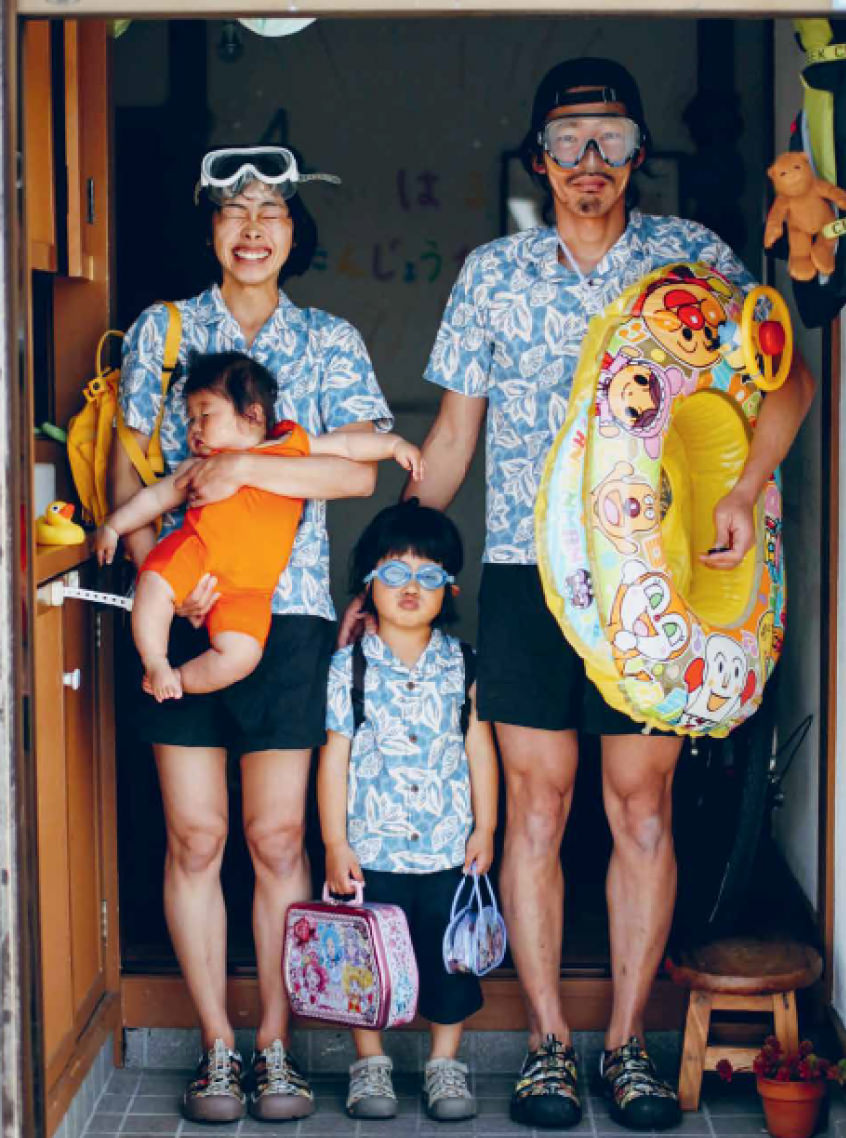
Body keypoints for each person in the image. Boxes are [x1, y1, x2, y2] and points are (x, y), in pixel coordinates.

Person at [394, 58, 815, 1131]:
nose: (592, 164)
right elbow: (451, 439)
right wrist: (392, 559)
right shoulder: (493, 272)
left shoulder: (695, 260)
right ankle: (544, 1044)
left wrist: (749, 487)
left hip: (657, 581)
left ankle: (625, 1045)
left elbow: (790, 377)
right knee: (536, 809)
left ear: (641, 154)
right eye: (572, 141)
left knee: (639, 808)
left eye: (615, 142)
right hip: (525, 580)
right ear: (539, 154)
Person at [112, 145, 395, 1125]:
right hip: (181, 610)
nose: (253, 225)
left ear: (292, 230)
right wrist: (165, 572)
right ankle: (218, 1048)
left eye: (271, 209)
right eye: (233, 209)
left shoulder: (330, 337)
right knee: (197, 836)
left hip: (293, 612)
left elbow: (356, 473)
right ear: (208, 228)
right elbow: (130, 470)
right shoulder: (164, 329)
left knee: (279, 840)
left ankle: (275, 1046)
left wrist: (244, 474)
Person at [97, 350, 422, 702]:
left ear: (252, 414)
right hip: (198, 555)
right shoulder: (201, 466)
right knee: (153, 584)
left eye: (204, 415)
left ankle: (179, 679)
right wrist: (114, 527)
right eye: (191, 420)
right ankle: (156, 661)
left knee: (242, 656)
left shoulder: (290, 445)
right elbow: (154, 500)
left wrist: (393, 444)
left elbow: (345, 444)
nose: (195, 428)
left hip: (251, 589)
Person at [320, 501, 498, 1123]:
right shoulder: (349, 668)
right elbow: (334, 759)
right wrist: (335, 844)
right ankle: (369, 1063)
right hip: (371, 853)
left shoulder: (465, 663)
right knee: (366, 962)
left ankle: (444, 1063)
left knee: (449, 960)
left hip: (449, 849)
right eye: (395, 571)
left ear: (449, 588)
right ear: (368, 579)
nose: (410, 587)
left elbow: (480, 748)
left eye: (428, 574)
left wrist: (487, 825)